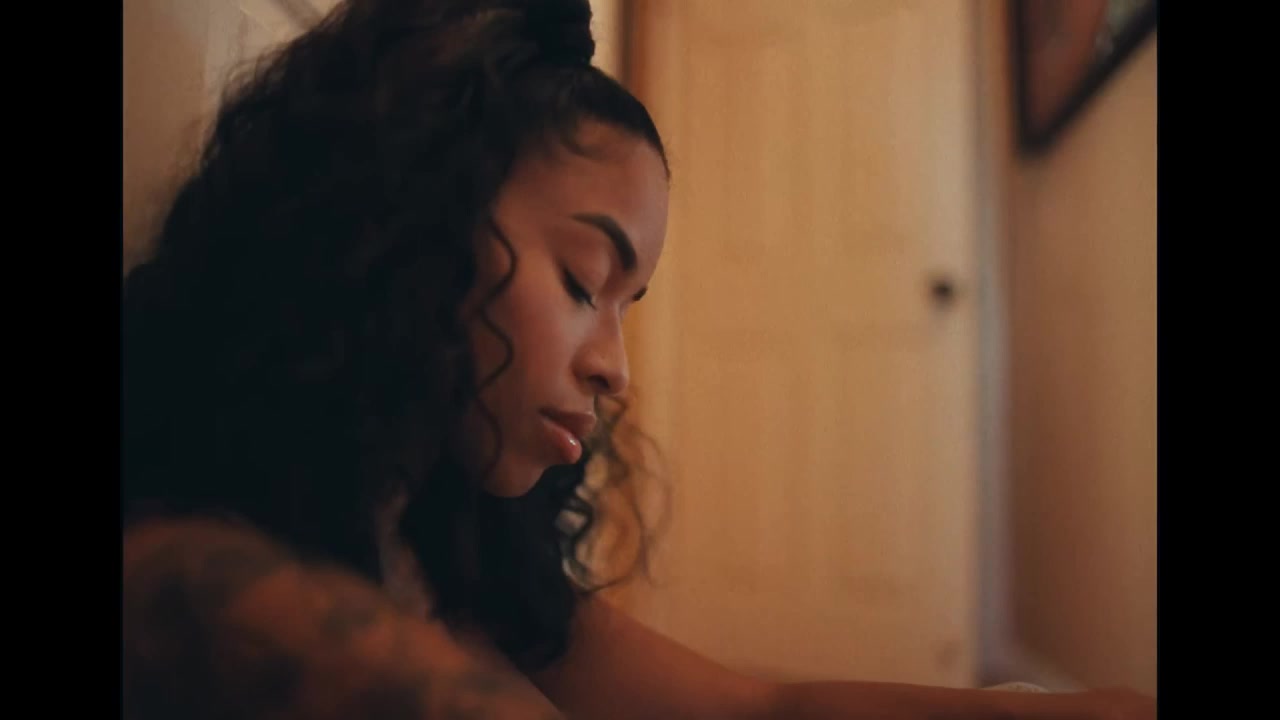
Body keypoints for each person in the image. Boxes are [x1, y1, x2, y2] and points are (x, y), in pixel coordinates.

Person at [121, 1, 1155, 717]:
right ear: (402, 223)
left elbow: (759, 707)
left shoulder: (447, 542)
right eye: (583, 282)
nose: (615, 368)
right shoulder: (199, 572)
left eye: (627, 303)